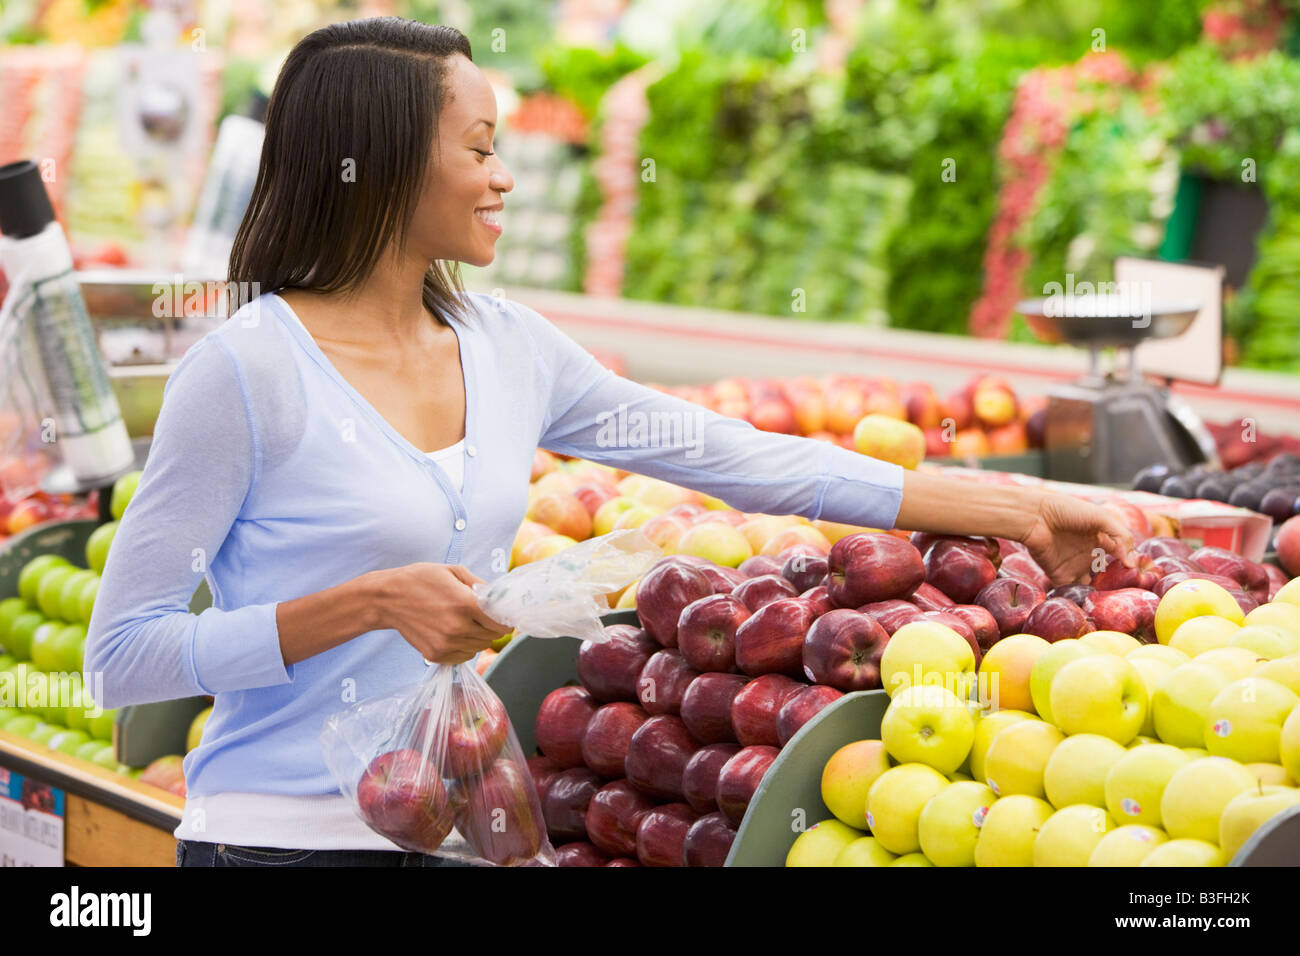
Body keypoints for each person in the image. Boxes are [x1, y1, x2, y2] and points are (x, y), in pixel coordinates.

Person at [84, 17, 1133, 868]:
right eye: (480, 147)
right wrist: (363, 604)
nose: (505, 177)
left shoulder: (509, 350)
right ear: (386, 161)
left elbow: (749, 456)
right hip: (280, 847)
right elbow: (123, 656)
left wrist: (1023, 508)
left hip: (464, 828)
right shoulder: (245, 371)